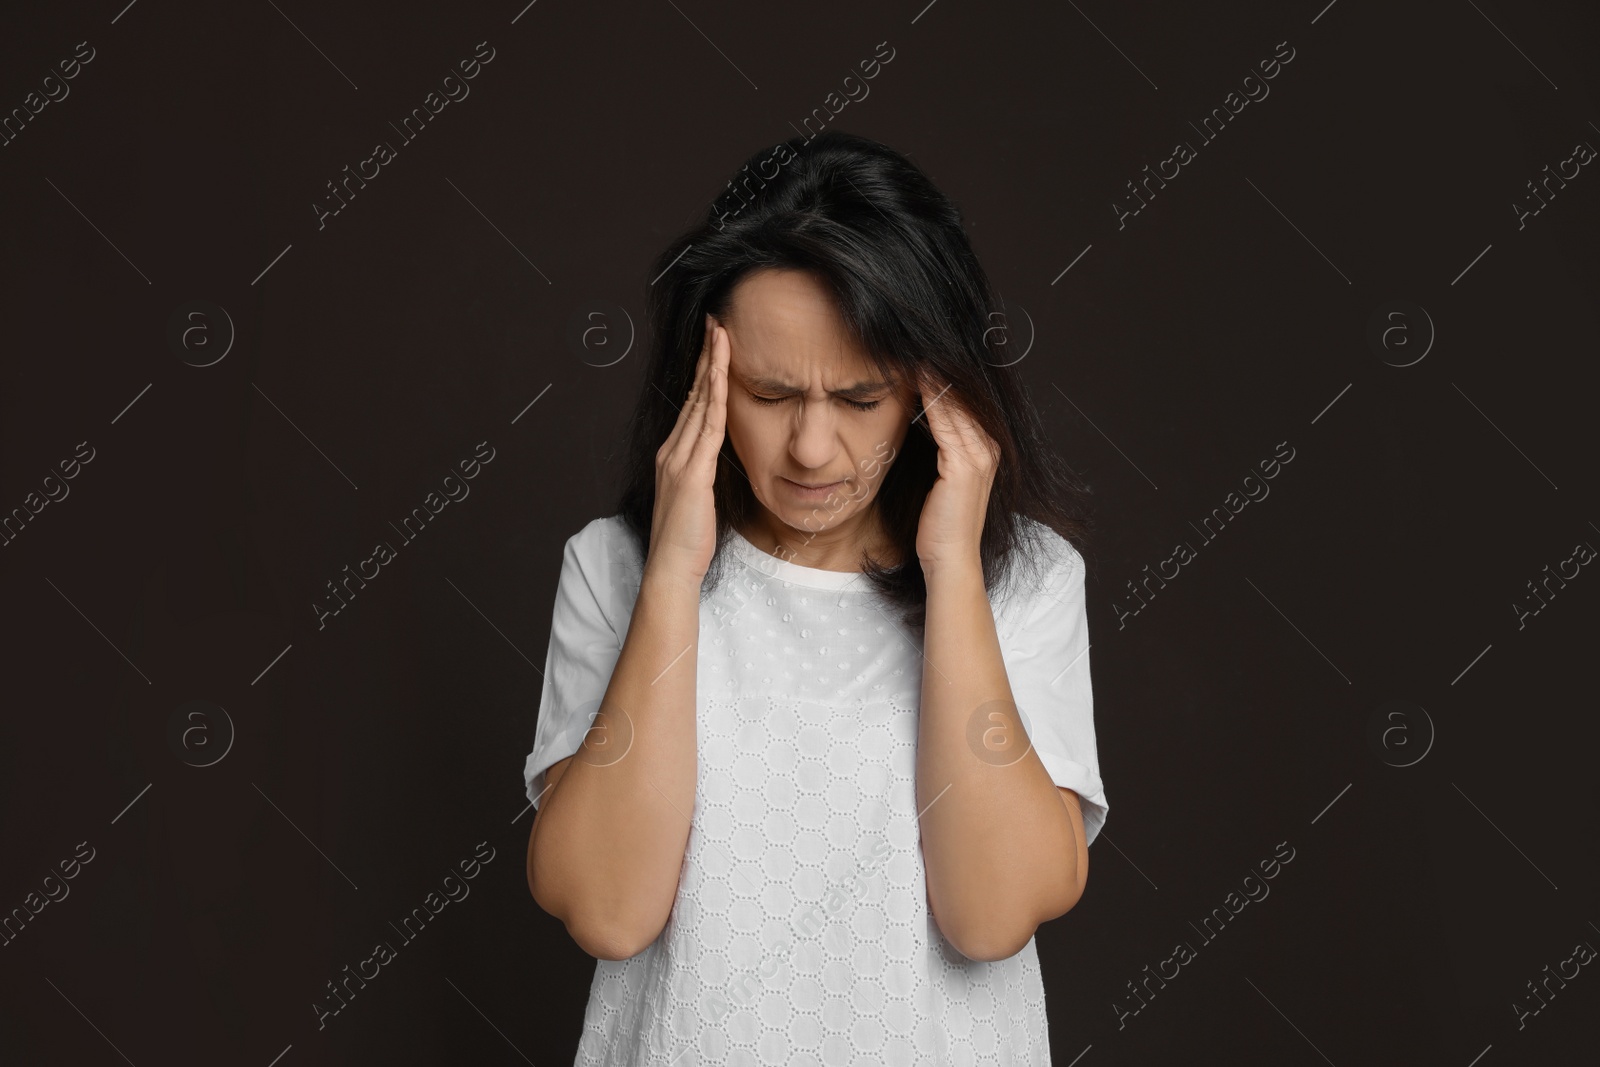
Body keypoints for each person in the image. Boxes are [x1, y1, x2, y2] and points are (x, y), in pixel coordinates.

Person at [522, 129, 1108, 1065]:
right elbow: (608, 908)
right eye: (768, 391)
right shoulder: (615, 570)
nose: (810, 448)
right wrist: (673, 576)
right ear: (702, 375)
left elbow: (991, 915)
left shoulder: (1026, 582)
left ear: (934, 388)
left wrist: (955, 569)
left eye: (861, 398)